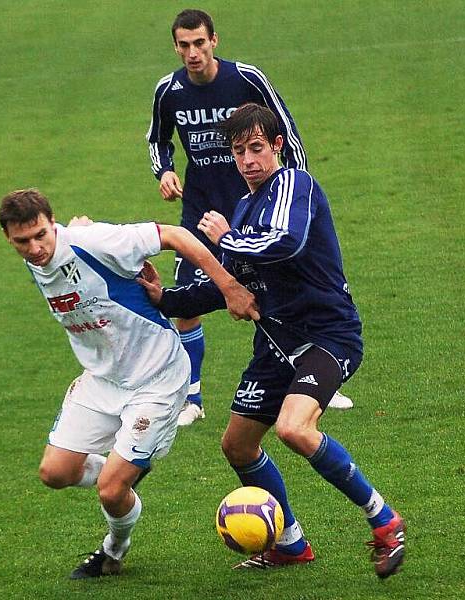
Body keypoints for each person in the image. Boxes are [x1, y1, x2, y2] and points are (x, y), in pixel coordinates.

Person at [138, 104, 405, 578]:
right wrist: (165, 297)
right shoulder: (245, 207)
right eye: (239, 152)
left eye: (257, 148)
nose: (248, 160)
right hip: (275, 347)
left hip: (327, 335)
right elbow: (231, 284)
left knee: (294, 429)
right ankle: (289, 544)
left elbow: (287, 242)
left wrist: (226, 240)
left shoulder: (293, 186)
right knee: (237, 446)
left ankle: (385, 521)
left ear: (277, 146)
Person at [0, 189, 258, 579]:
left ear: (54, 224)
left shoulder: (93, 242)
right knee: (54, 474)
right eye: (23, 242)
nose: (35, 248)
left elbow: (174, 234)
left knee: (110, 490)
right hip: (102, 379)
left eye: (42, 235)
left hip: (156, 377)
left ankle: (112, 551)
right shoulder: (37, 260)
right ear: (9, 238)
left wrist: (229, 286)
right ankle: (125, 466)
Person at [147, 8, 351, 424]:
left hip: (256, 205)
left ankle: (316, 377)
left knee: (283, 285)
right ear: (176, 47)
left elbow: (287, 133)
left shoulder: (247, 79)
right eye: (184, 46)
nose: (193, 53)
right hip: (203, 213)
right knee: (191, 296)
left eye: (199, 43)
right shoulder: (169, 91)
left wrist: (295, 192)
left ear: (214, 41)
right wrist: (164, 170)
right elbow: (158, 139)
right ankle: (192, 398)